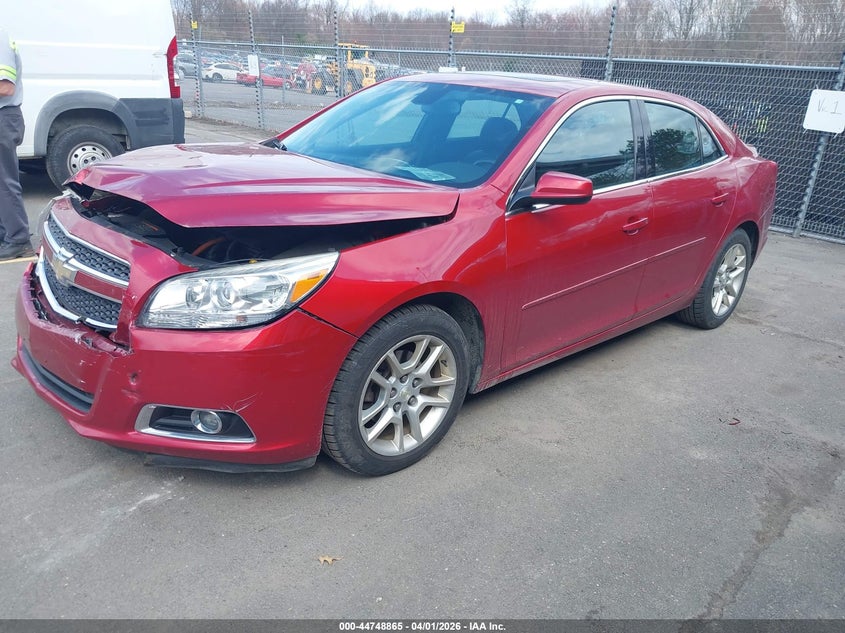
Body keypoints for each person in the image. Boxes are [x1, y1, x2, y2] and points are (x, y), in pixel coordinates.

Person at [0, 28, 32, 261]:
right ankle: (7, 236)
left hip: (3, 117)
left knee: (4, 183)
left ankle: (18, 240)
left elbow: (5, 87)